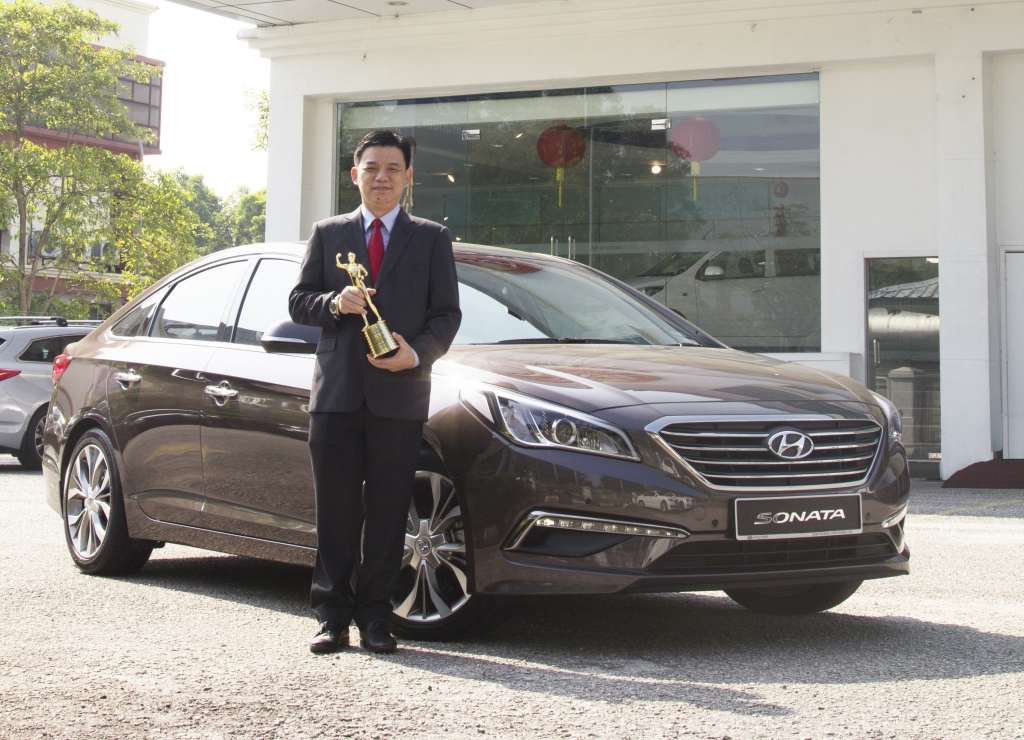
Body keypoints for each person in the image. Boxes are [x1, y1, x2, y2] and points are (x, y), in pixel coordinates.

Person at [288, 130, 461, 654]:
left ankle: (377, 618)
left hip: (400, 395)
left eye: (392, 167)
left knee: (388, 513)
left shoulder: (431, 238)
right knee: (336, 512)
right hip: (338, 398)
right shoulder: (327, 233)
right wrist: (333, 304)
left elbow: (447, 315)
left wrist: (418, 354)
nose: (381, 176)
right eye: (371, 167)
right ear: (354, 175)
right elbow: (298, 303)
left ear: (408, 176)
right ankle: (331, 617)